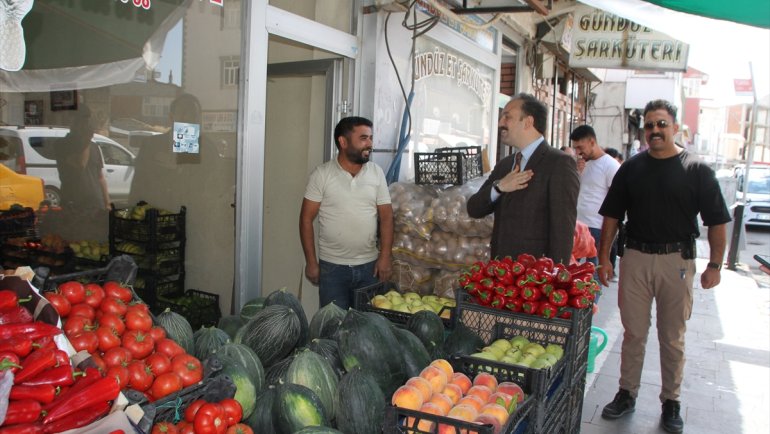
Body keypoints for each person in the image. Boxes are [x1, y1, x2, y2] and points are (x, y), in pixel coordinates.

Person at [596, 99, 731, 434]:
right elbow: (611, 216)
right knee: (633, 334)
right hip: (636, 260)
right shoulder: (631, 168)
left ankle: (671, 401)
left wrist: (715, 265)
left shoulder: (696, 169)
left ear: (675, 127)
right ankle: (626, 393)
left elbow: (717, 221)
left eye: (661, 124)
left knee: (672, 338)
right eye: (649, 125)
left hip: (677, 263)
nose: (655, 130)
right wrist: (604, 258)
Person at [467, 93, 579, 264]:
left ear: (528, 122)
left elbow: (563, 230)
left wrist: (555, 274)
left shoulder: (559, 163)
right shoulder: (505, 165)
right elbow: (474, 209)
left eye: (507, 117)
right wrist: (499, 187)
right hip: (501, 270)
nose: (500, 123)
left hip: (535, 272)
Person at [299, 116, 393, 309]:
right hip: (332, 269)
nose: (370, 144)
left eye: (371, 138)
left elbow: (387, 218)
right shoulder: (321, 175)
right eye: (363, 138)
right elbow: (306, 220)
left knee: (368, 323)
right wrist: (311, 262)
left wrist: (385, 257)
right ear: (343, 142)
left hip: (370, 267)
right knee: (333, 324)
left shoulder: (376, 173)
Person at [570, 125, 621, 300]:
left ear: (592, 142)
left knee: (593, 274)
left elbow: (616, 201)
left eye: (580, 147)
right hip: (577, 225)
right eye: (575, 148)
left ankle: (591, 309)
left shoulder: (610, 165)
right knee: (571, 271)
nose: (578, 152)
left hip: (597, 227)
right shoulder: (583, 164)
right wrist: (577, 173)